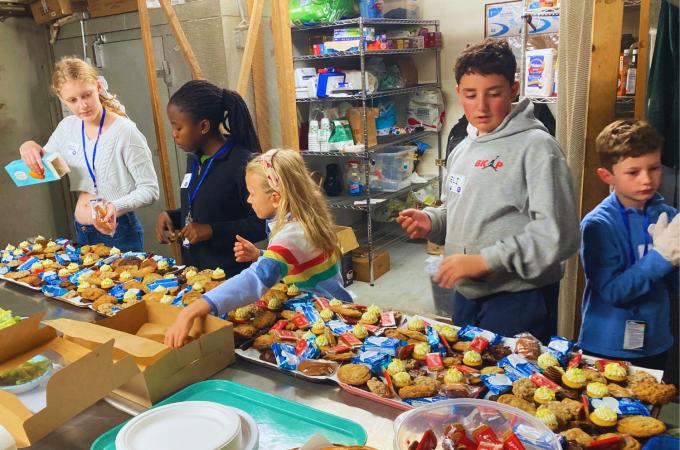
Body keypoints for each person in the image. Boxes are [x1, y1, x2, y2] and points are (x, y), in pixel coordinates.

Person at [397, 39, 578, 343]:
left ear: (513, 89)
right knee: (468, 379)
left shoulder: (537, 148)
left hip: (519, 300)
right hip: (467, 295)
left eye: (494, 94)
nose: (481, 106)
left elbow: (558, 234)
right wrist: (433, 222)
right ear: (459, 94)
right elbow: (461, 210)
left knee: (512, 385)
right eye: (470, 95)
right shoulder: (463, 148)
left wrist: (486, 260)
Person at [165, 149, 352, 348]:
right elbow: (296, 260)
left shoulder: (292, 233)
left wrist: (196, 308)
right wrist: (260, 255)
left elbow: (255, 279)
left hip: (328, 317)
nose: (248, 200)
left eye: (252, 193)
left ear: (276, 198)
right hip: (330, 303)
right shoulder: (303, 218)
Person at [19, 57, 159, 252]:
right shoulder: (67, 127)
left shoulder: (125, 131)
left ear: (98, 86)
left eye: (87, 95)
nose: (82, 105)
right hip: (82, 231)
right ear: (61, 98)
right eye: (72, 100)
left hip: (118, 231)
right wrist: (28, 146)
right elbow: (46, 165)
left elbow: (150, 190)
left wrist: (113, 206)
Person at [579, 120, 679, 370]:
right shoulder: (598, 224)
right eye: (633, 172)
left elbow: (674, 286)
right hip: (605, 345)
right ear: (607, 175)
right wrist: (662, 258)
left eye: (654, 168)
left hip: (655, 342)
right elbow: (614, 291)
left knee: (650, 406)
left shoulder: (668, 216)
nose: (646, 179)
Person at [155, 80, 266, 274]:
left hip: (231, 276)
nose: (174, 134)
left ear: (204, 126)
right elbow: (208, 206)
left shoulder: (243, 163)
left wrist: (212, 230)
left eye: (178, 127)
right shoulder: (195, 160)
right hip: (195, 273)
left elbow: (262, 223)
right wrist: (172, 215)